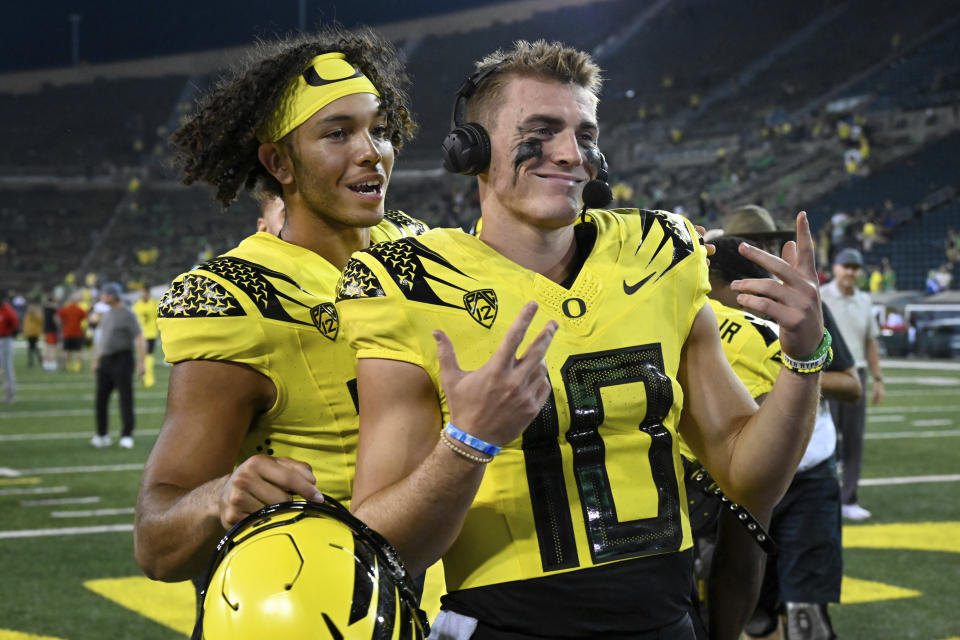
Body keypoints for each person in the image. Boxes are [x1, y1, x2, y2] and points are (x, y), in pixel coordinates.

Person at [336, 40, 825, 638]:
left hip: (667, 623)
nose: (573, 155)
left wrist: (805, 360)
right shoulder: (410, 282)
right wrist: (468, 442)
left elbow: (746, 477)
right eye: (541, 130)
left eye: (586, 134)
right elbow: (383, 546)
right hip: (504, 628)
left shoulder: (658, 254)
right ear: (473, 150)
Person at [133, 25, 428, 590]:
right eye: (338, 134)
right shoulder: (240, 299)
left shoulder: (422, 253)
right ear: (280, 163)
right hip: (313, 602)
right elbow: (157, 545)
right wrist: (222, 495)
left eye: (380, 130)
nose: (372, 153)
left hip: (444, 607)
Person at [704, 237, 860, 640]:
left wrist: (793, 370)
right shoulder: (699, 322)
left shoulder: (800, 305)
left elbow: (851, 383)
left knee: (806, 615)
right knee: (755, 618)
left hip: (805, 477)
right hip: (737, 482)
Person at [821, 248, 883, 521]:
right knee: (827, 438)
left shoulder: (865, 300)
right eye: (846, 266)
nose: (850, 272)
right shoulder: (820, 295)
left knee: (854, 440)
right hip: (828, 375)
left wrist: (878, 378)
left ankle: (850, 498)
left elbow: (871, 341)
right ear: (835, 268)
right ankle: (827, 496)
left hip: (857, 372)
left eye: (855, 267)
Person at [92, 282, 146, 449]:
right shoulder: (107, 314)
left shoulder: (127, 314)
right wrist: (96, 361)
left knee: (125, 399)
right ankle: (102, 434)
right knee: (101, 400)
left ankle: (126, 435)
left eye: (105, 294)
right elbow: (103, 340)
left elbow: (140, 338)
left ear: (113, 296)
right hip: (106, 361)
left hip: (123, 359)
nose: (102, 297)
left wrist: (141, 362)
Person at [132, 285, 160, 388]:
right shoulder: (138, 305)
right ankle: (145, 378)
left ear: (148, 293)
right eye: (140, 293)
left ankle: (149, 379)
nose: (141, 295)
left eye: (143, 292)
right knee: (142, 358)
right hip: (140, 335)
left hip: (151, 334)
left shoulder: (153, 304)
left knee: (148, 357)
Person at [56, 291, 88, 373]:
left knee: (66, 350)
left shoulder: (65, 309)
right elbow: (86, 319)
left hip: (67, 332)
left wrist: (60, 327)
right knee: (79, 350)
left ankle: (66, 366)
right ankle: (79, 366)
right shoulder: (79, 309)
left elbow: (57, 317)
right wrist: (84, 329)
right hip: (77, 333)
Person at [0, 291, 19, 403]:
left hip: (5, 340)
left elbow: (15, 325)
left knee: (7, 367)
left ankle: (10, 393)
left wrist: (11, 337)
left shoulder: (7, 310)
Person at [22, 298, 43, 368]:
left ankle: (38, 360)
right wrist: (24, 331)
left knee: (34, 347)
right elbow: (25, 324)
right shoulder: (28, 315)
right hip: (29, 333)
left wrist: (33, 313)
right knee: (31, 348)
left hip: (34, 333)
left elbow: (40, 321)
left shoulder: (36, 313)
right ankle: (33, 361)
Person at [41, 294, 60, 371]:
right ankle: (52, 365)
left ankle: (46, 364)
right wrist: (59, 327)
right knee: (52, 347)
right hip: (52, 330)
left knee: (47, 347)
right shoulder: (53, 310)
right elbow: (56, 320)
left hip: (46, 329)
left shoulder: (45, 308)